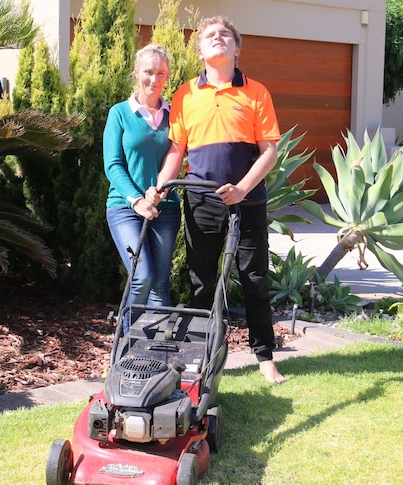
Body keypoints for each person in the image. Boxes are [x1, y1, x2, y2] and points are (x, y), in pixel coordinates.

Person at [147, 16, 287, 383]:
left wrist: (242, 188)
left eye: (225, 34)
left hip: (248, 200)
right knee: (200, 279)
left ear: (237, 48)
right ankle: (200, 353)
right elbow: (177, 151)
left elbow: (270, 150)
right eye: (209, 35)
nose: (217, 38)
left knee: (254, 277)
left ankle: (265, 357)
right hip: (201, 199)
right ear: (200, 51)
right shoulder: (184, 95)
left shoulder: (256, 92)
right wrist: (160, 185)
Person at [104, 44, 182, 331]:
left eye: (160, 73)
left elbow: (177, 156)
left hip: (166, 208)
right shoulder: (120, 114)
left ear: (167, 75)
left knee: (161, 283)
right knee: (142, 276)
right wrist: (137, 199)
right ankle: (126, 346)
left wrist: (158, 195)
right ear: (137, 73)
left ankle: (157, 351)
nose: (154, 79)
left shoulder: (174, 115)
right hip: (125, 208)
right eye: (148, 72)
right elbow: (112, 165)